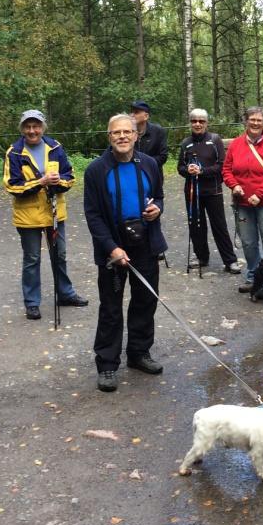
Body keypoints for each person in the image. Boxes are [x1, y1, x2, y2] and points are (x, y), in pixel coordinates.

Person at [83, 114, 167, 393]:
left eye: (126, 132)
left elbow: (159, 196)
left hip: (145, 242)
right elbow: (93, 215)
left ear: (135, 135)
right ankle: (107, 364)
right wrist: (111, 248)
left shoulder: (151, 165)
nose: (122, 136)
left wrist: (158, 209)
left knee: (145, 301)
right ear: (109, 137)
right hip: (112, 246)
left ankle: (139, 353)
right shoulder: (96, 170)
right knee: (110, 307)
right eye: (116, 132)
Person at [3, 109, 89, 321]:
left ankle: (65, 294)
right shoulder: (14, 152)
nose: (32, 131)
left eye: (36, 126)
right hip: (28, 216)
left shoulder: (55, 147)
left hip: (54, 213)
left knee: (59, 255)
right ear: (22, 129)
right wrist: (40, 183)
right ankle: (32, 303)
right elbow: (12, 186)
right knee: (32, 259)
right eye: (28, 127)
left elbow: (69, 176)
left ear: (43, 127)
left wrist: (57, 182)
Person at [222, 106, 263, 297]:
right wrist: (234, 186)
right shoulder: (236, 144)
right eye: (252, 119)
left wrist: (260, 193)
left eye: (259, 120)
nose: (255, 123)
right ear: (246, 121)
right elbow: (226, 170)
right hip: (242, 202)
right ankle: (253, 277)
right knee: (248, 242)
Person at [177, 108, 241, 273]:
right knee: (196, 226)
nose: (197, 124)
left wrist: (202, 171)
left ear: (206, 123)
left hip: (213, 191)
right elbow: (180, 167)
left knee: (219, 226)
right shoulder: (186, 143)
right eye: (194, 121)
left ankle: (230, 261)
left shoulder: (215, 139)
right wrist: (188, 169)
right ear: (190, 122)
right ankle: (201, 257)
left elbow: (222, 166)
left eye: (201, 121)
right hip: (192, 192)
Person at [130, 100, 168, 180]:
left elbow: (163, 156)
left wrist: (141, 162)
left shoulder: (158, 131)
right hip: (132, 176)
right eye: (131, 112)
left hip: (153, 176)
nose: (132, 115)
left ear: (146, 116)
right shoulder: (126, 132)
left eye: (136, 112)